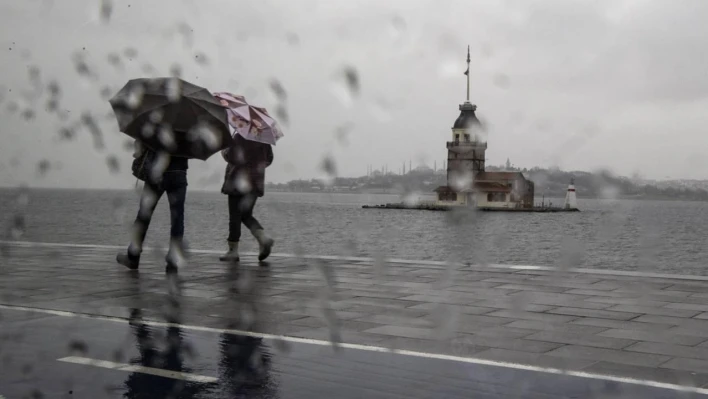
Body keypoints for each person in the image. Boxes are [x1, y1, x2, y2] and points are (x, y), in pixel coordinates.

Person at [116, 140, 189, 272]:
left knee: (144, 215)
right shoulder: (189, 124)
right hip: (179, 173)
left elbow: (143, 142)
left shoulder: (159, 121)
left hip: (157, 173)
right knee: (177, 218)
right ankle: (173, 260)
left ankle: (133, 256)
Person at [219, 134, 274, 262]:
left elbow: (232, 157)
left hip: (238, 182)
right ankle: (263, 239)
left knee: (235, 216)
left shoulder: (239, 136)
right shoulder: (264, 139)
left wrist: (224, 152)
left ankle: (233, 251)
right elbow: (269, 159)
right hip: (255, 183)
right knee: (245, 214)